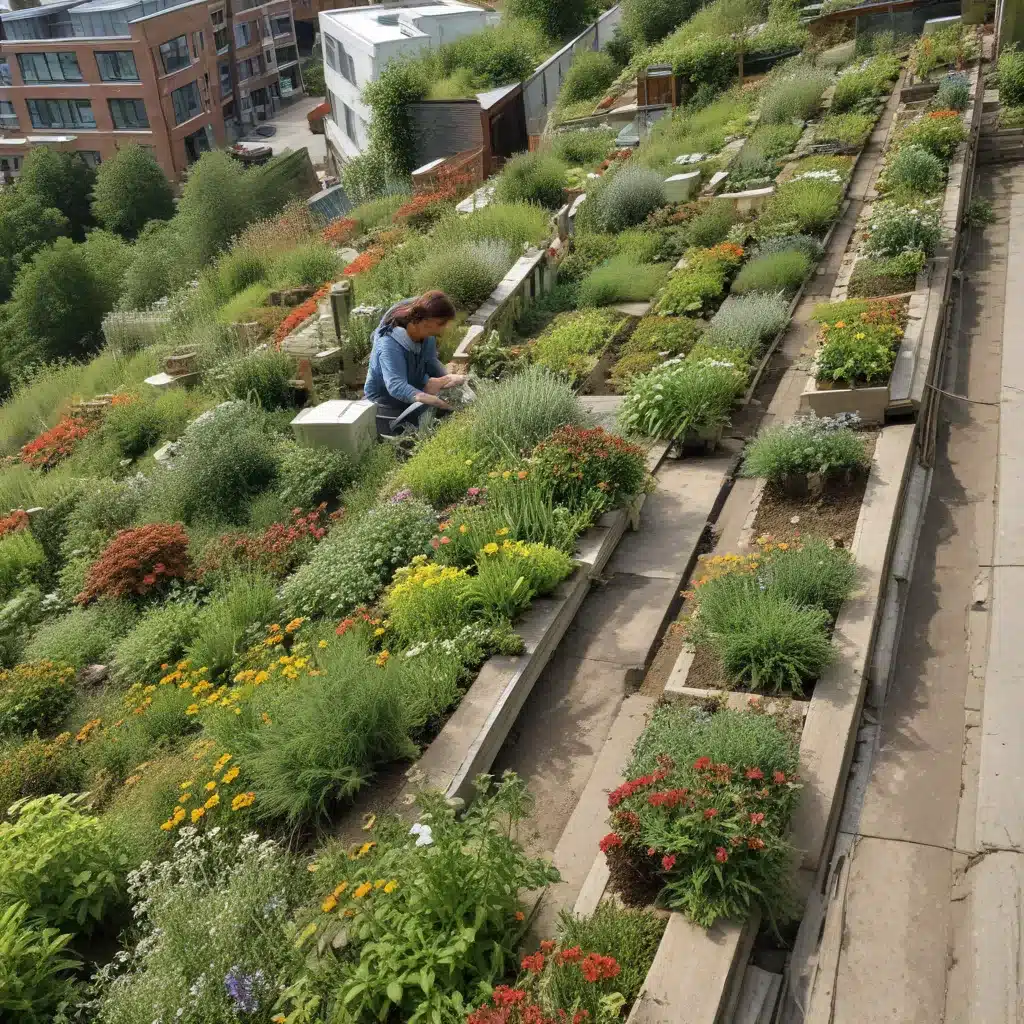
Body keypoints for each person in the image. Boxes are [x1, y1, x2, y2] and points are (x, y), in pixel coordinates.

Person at [364, 291, 466, 416]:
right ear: (424, 321)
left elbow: (430, 361)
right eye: (441, 324)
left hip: (413, 398)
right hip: (383, 405)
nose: (444, 328)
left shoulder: (428, 337)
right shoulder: (389, 342)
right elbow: (397, 386)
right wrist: (435, 401)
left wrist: (448, 379)